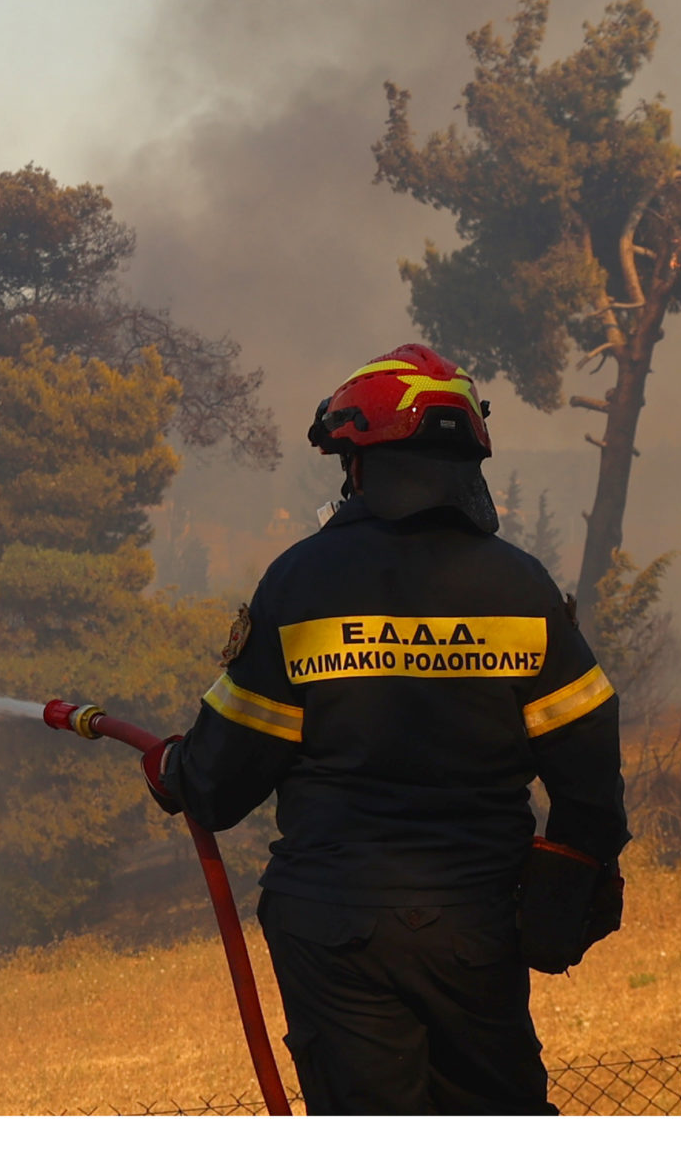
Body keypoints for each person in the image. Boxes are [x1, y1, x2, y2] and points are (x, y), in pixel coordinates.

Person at [148, 343, 629, 1115]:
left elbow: (217, 781)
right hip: (473, 926)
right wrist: (568, 881)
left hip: (334, 928)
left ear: (361, 464)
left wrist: (173, 772)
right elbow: (590, 771)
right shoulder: (519, 587)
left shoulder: (301, 581)